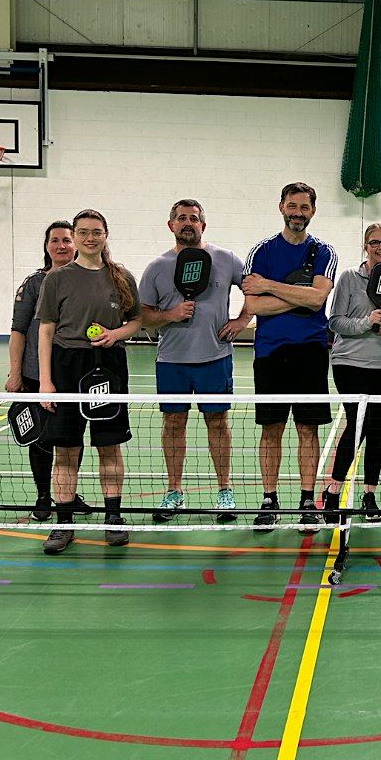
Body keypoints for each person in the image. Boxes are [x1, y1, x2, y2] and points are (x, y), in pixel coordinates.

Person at [138, 199, 250, 525]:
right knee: (173, 424)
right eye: (182, 218)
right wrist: (169, 315)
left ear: (203, 224)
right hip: (172, 361)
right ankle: (174, 491)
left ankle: (225, 491)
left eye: (194, 218)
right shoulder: (157, 267)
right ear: (171, 225)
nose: (188, 223)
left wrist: (242, 320)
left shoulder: (226, 259)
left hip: (215, 357)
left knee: (218, 423)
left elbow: (254, 290)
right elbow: (143, 315)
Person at [36, 209, 141, 554]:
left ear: (105, 235)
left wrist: (115, 334)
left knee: (109, 446)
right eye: (83, 232)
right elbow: (46, 330)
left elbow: (135, 321)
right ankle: (64, 524)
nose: (90, 238)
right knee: (66, 450)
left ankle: (113, 518)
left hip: (109, 366)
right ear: (75, 236)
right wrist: (46, 381)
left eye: (96, 232)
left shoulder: (121, 276)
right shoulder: (57, 278)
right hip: (67, 365)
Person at [241, 183, 337, 531]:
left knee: (307, 428)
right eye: (292, 206)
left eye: (304, 207)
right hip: (270, 351)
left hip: (311, 351)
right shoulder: (261, 251)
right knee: (272, 428)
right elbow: (253, 306)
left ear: (313, 211)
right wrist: (301, 295)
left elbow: (317, 300)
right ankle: (269, 499)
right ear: (281, 206)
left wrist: (270, 286)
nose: (298, 213)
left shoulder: (324, 251)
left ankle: (307, 500)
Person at [321, 224, 381, 522]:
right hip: (350, 364)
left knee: (378, 428)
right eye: (374, 242)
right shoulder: (349, 278)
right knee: (358, 424)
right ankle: (333, 489)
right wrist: (365, 322)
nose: (380, 247)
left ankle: (369, 494)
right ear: (365, 246)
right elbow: (335, 321)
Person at [6, 220, 95, 521]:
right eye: (54, 240)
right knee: (41, 438)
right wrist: (15, 373)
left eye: (66, 240)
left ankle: (66, 496)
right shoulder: (34, 283)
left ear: (75, 244)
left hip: (73, 374)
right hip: (36, 375)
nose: (61, 245)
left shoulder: (87, 280)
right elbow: (18, 330)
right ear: (46, 246)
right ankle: (44, 498)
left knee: (72, 439)